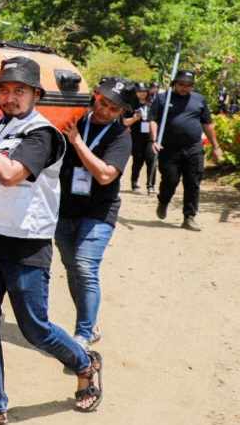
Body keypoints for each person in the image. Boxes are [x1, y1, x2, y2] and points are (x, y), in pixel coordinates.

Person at [0, 56, 103, 425]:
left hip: (25, 247)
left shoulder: (43, 135)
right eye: (4, 89)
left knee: (35, 328)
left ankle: (85, 364)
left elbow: (8, 174)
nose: (10, 97)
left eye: (19, 90)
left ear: (36, 94)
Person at [55, 76, 134, 351]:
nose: (105, 111)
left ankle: (83, 335)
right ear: (96, 96)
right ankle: (91, 323)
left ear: (122, 113)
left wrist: (77, 142)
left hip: (99, 211)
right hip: (64, 208)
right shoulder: (75, 117)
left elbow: (103, 175)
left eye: (114, 109)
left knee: (86, 268)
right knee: (72, 268)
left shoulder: (121, 137)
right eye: (103, 103)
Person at [149, 69, 223, 231]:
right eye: (182, 84)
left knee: (193, 183)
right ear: (175, 83)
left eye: (189, 85)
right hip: (169, 148)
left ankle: (189, 217)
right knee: (170, 180)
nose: (185, 88)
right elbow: (153, 120)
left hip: (194, 147)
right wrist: (155, 140)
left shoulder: (199, 100)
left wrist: (215, 146)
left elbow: (207, 124)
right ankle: (163, 200)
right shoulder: (163, 98)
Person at [123, 81, 157, 194]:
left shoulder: (153, 103)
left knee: (151, 160)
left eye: (144, 91)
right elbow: (125, 122)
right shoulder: (131, 105)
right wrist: (134, 119)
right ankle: (134, 181)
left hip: (150, 137)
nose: (142, 93)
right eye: (139, 91)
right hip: (136, 136)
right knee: (138, 161)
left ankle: (150, 185)